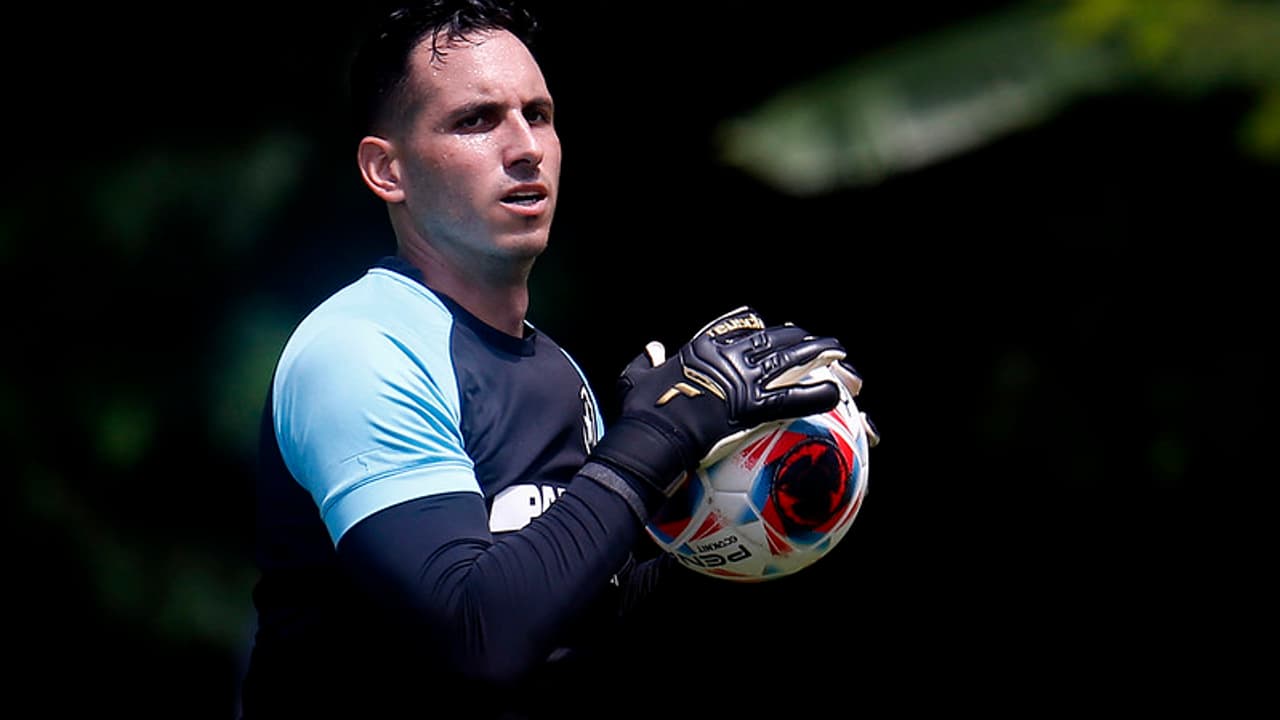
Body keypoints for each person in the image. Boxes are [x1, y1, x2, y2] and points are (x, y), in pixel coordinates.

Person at [238, 1, 875, 717]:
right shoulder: (361, 348)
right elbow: (477, 636)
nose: (525, 147)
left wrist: (713, 507)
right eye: (476, 120)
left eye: (537, 115)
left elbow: (574, 615)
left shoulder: (558, 373)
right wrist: (654, 443)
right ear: (387, 170)